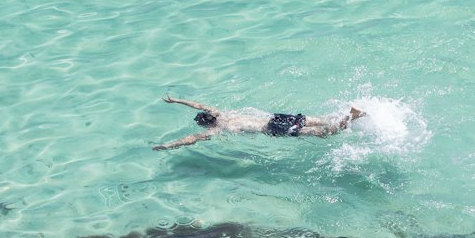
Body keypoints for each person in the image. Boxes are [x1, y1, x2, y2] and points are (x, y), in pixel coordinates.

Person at [152, 95, 365, 150]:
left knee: (322, 133)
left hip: (272, 128)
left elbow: (191, 139)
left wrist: (167, 145)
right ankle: (352, 113)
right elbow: (198, 105)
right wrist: (177, 100)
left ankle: (351, 118)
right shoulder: (220, 114)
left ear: (208, 124)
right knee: (322, 120)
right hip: (276, 117)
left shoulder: (218, 128)